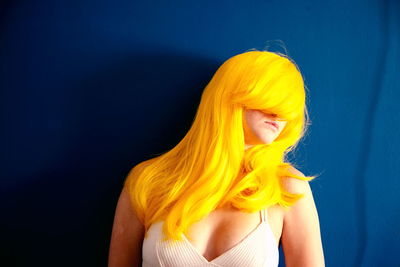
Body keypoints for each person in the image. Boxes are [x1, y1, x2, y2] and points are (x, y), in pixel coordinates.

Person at [108, 50, 325, 267]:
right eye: (270, 102)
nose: (279, 115)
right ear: (230, 95)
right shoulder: (148, 180)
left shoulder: (286, 187)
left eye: (288, 108)